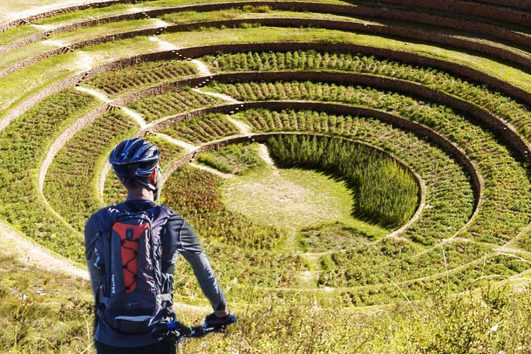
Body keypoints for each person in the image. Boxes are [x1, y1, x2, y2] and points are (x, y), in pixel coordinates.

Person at [85, 138, 231, 354]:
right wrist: (222, 314)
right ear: (154, 175)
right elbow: (204, 272)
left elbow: (98, 281)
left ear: (122, 179)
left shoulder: (97, 221)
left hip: (110, 339)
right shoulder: (172, 221)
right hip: (157, 338)